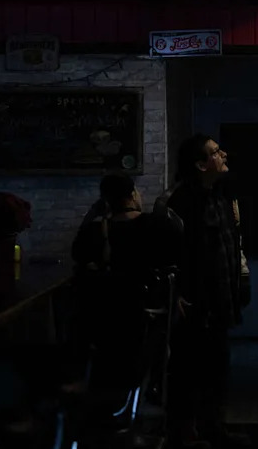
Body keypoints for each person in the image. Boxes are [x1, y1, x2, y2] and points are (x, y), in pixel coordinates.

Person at [166, 134, 251, 449]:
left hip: (219, 299)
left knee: (217, 366)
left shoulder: (220, 194)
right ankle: (184, 433)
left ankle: (213, 426)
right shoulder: (182, 201)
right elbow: (171, 252)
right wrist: (177, 295)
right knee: (188, 369)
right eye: (216, 152)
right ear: (201, 164)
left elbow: (231, 244)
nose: (224, 154)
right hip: (195, 302)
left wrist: (240, 282)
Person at [70, 173, 182, 408]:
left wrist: (96, 213)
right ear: (133, 194)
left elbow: (78, 255)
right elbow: (176, 253)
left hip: (104, 321)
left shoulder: (95, 230)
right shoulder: (156, 224)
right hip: (148, 315)